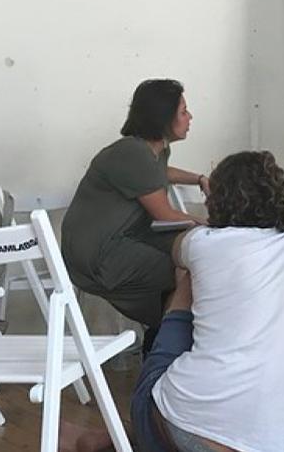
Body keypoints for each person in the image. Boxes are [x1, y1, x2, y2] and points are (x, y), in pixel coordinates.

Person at [130, 150, 284, 452]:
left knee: (186, 277)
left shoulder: (202, 243)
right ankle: (104, 439)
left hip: (184, 421)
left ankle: (109, 438)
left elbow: (177, 251)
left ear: (217, 201)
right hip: (265, 443)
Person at [61, 79, 208, 340]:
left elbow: (160, 173)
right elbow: (165, 215)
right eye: (183, 112)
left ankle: (163, 335)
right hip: (97, 256)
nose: (190, 117)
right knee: (195, 267)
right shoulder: (132, 153)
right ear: (163, 118)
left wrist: (199, 179)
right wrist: (215, 226)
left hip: (122, 240)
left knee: (191, 253)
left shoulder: (153, 151)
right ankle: (167, 340)